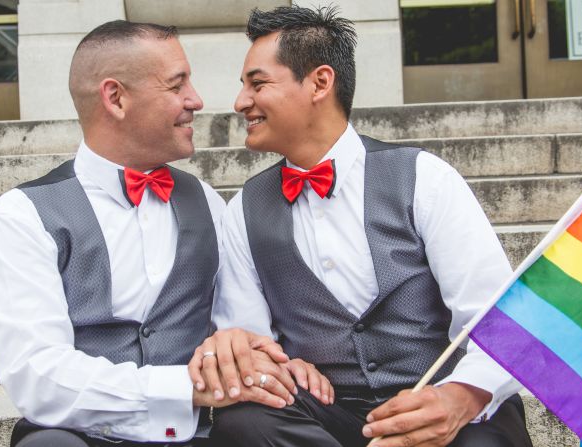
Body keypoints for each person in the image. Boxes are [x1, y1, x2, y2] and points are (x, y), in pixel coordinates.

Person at [194, 6, 534, 447]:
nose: (240, 102)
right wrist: (273, 366)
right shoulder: (243, 209)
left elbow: (499, 322)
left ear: (319, 82)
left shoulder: (424, 177)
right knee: (245, 425)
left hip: (442, 405)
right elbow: (250, 341)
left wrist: (459, 398)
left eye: (257, 84)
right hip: (328, 418)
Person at [0, 20, 304, 447]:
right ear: (115, 98)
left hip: (197, 436)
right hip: (80, 437)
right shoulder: (22, 217)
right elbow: (37, 375)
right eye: (176, 85)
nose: (197, 100)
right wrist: (180, 388)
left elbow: (239, 327)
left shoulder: (207, 203)